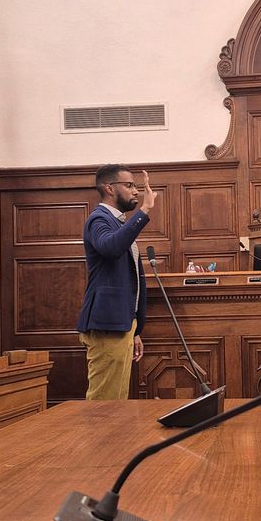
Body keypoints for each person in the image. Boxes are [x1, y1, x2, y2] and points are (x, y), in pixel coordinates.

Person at [77, 164, 157, 400]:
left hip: (121, 325)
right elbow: (111, 248)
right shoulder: (98, 220)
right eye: (129, 185)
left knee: (117, 401)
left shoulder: (119, 223)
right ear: (109, 188)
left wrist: (134, 329)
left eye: (135, 186)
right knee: (103, 403)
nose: (136, 191)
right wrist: (144, 210)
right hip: (107, 325)